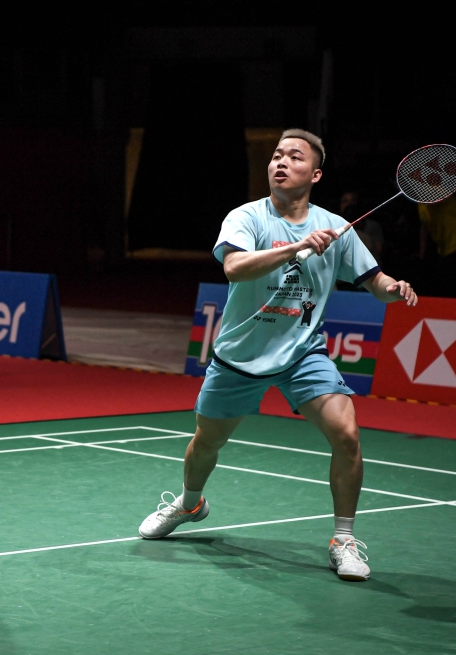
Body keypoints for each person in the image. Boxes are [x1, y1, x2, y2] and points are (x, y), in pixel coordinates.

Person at [137, 129, 417, 582]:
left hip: (302, 353)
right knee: (207, 441)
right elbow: (233, 267)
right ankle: (190, 503)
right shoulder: (246, 217)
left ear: (316, 173)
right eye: (276, 155)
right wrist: (299, 246)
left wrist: (394, 289)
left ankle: (343, 539)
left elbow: (375, 282)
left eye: (295, 156)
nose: (281, 162)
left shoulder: (337, 229)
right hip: (240, 356)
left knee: (346, 434)